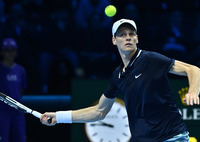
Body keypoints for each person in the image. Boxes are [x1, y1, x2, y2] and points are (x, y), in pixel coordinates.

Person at [41, 19, 200, 142]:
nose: (128, 37)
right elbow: (99, 111)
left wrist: (193, 91)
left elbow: (193, 69)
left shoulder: (151, 59)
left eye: (131, 34)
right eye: (122, 34)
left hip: (172, 137)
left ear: (137, 38)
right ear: (114, 40)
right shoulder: (118, 75)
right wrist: (59, 117)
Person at [0, 38, 27, 142]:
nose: (10, 53)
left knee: (20, 138)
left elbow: (21, 89)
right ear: (2, 51)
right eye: (7, 50)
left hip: (17, 110)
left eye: (12, 50)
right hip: (1, 111)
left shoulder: (21, 70)